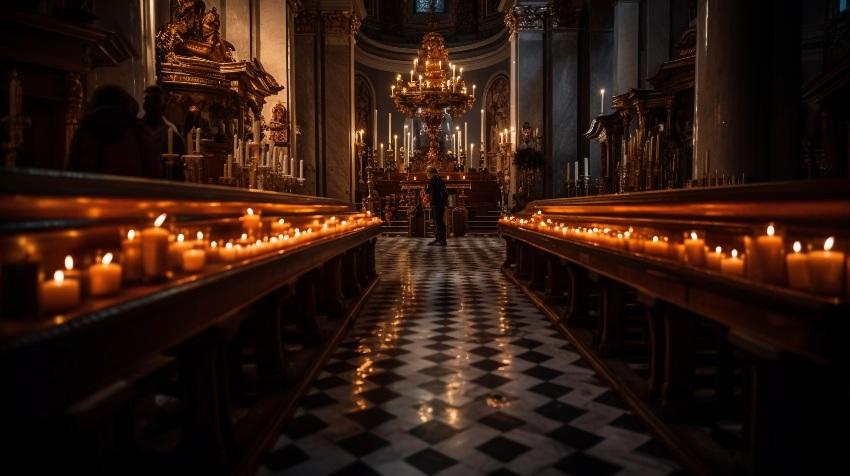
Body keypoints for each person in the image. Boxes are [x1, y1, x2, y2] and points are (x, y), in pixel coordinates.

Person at [67, 85, 160, 178]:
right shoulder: (140, 132)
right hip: (133, 190)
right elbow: (153, 173)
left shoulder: (85, 131)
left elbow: (73, 174)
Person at [141, 85, 185, 157]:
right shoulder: (136, 129)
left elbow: (179, 158)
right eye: (147, 99)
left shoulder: (171, 133)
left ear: (163, 105)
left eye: (155, 100)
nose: (151, 103)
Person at [425, 165, 448, 246]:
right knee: (440, 222)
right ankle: (442, 239)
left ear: (431, 172)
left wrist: (431, 202)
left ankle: (440, 239)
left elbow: (429, 191)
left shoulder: (433, 180)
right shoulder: (439, 179)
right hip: (440, 203)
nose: (426, 174)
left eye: (427, 172)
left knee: (438, 222)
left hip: (436, 203)